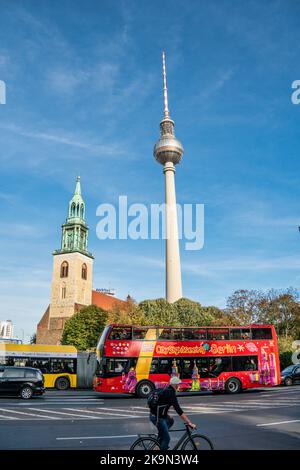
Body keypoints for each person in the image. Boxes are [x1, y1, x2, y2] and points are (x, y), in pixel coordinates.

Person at [149, 376, 196, 450]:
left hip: (156, 415)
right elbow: (178, 410)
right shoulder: (171, 393)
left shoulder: (166, 390)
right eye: (178, 384)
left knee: (170, 421)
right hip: (157, 417)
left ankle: (160, 438)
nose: (178, 386)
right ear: (175, 385)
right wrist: (189, 422)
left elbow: (162, 403)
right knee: (167, 438)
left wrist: (166, 414)